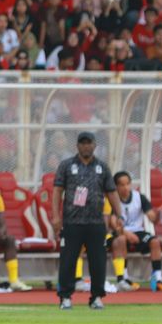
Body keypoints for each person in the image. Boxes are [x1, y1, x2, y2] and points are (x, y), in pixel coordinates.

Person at [53, 132, 123, 310]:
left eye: (89, 143)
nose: (86, 146)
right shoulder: (66, 166)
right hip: (72, 222)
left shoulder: (102, 167)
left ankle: (97, 297)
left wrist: (119, 214)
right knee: (68, 260)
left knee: (98, 261)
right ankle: (66, 297)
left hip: (96, 222)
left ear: (94, 145)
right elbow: (57, 191)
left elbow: (112, 192)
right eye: (82, 143)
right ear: (77, 145)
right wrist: (55, 216)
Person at [104, 171, 162, 292]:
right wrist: (126, 234)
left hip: (138, 232)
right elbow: (113, 224)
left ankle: (157, 278)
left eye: (127, 184)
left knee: (154, 242)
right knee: (121, 239)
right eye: (122, 185)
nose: (125, 187)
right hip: (120, 233)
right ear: (116, 186)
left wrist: (158, 214)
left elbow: (152, 218)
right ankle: (124, 278)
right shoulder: (113, 199)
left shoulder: (140, 197)